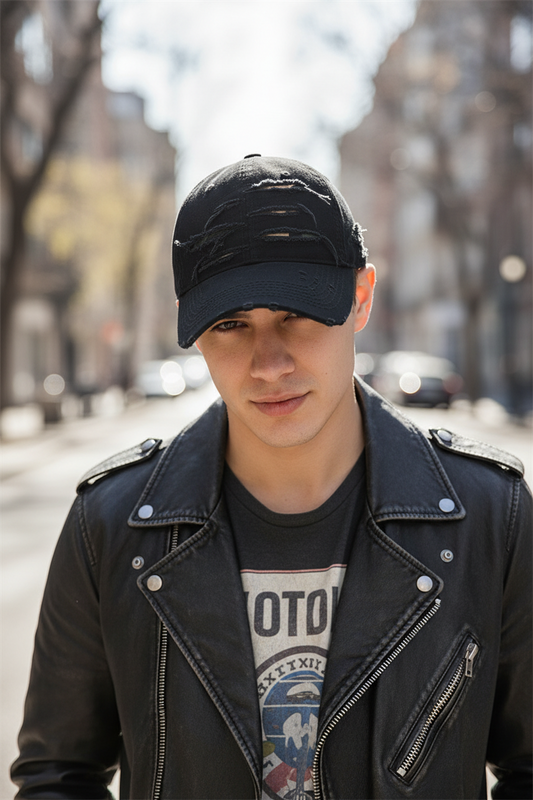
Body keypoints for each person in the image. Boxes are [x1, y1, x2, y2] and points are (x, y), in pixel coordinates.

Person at [11, 155, 531, 800]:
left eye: (296, 314)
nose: (268, 363)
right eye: (230, 325)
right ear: (195, 330)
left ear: (360, 297)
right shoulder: (112, 524)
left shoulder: (490, 514)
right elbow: (58, 774)